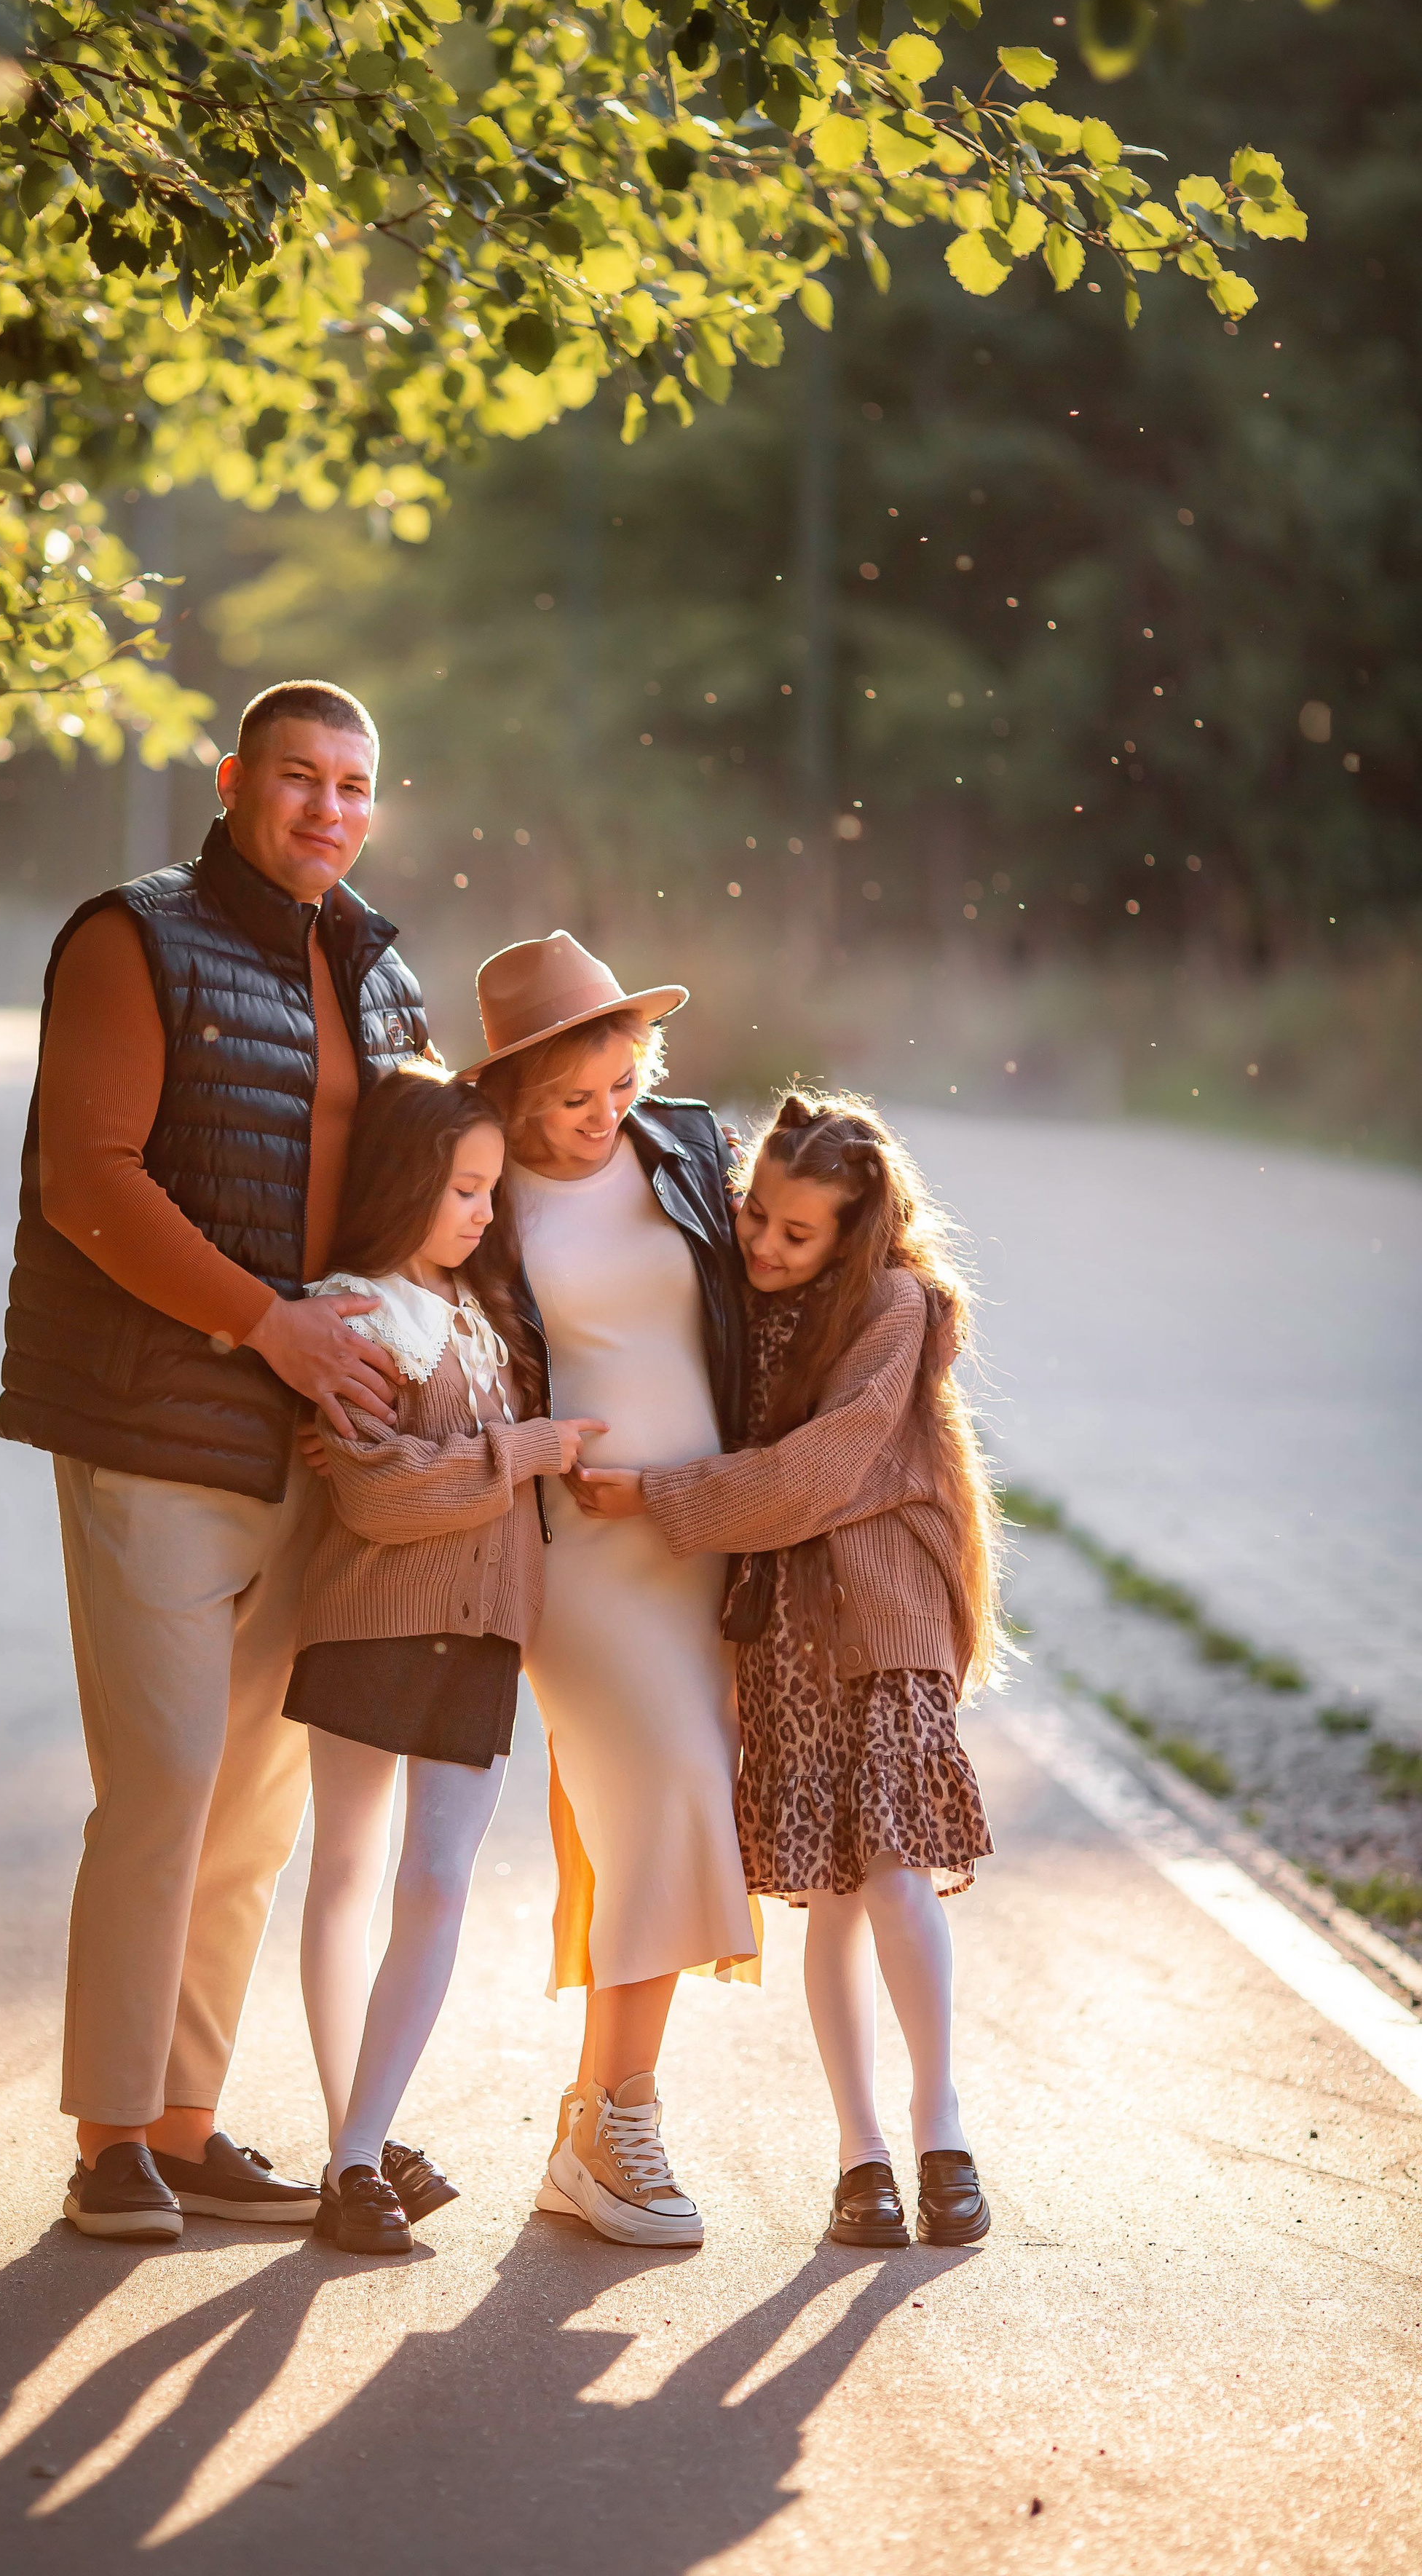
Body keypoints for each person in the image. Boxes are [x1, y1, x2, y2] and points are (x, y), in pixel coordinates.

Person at [0, 679, 434, 2241]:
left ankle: (183, 2123)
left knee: (252, 1795)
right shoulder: (132, 936)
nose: (327, 808)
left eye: (354, 785)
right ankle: (107, 2130)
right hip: (159, 1418)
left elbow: (419, 1187)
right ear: (236, 779)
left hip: (317, 1443)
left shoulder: (380, 973)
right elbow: (86, 1183)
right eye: (299, 778)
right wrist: (270, 1326)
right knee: (167, 1775)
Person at [573, 1089, 1001, 2250]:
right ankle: (860, 2155)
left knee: (897, 1871)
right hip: (783, 1631)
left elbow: (819, 1470)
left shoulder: (893, 1308)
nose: (763, 1242)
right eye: (755, 1214)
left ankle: (939, 2126)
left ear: (853, 1235)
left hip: (885, 1615)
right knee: (835, 1895)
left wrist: (663, 1498)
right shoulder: (737, 1294)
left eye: (795, 1233)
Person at [461, 931, 758, 2250]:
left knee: (646, 1813)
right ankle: (621, 2118)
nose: (602, 1120)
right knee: (670, 1789)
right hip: (576, 1552)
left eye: (623, 1087)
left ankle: (594, 2124)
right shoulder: (474, 1189)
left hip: (705, 1539)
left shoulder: (690, 1149)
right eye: (572, 1102)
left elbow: (786, 1285)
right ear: (510, 1097)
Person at [284, 1065, 608, 2254]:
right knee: (349, 1872)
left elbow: (442, 1480)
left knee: (439, 1883)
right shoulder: (356, 1312)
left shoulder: (482, 1318)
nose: (482, 1212)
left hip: (483, 1636)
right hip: (370, 1619)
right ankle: (353, 2148)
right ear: (409, 1182)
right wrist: (523, 1451)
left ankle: (362, 2140)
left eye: (489, 1190)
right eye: (463, 1189)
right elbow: (376, 1501)